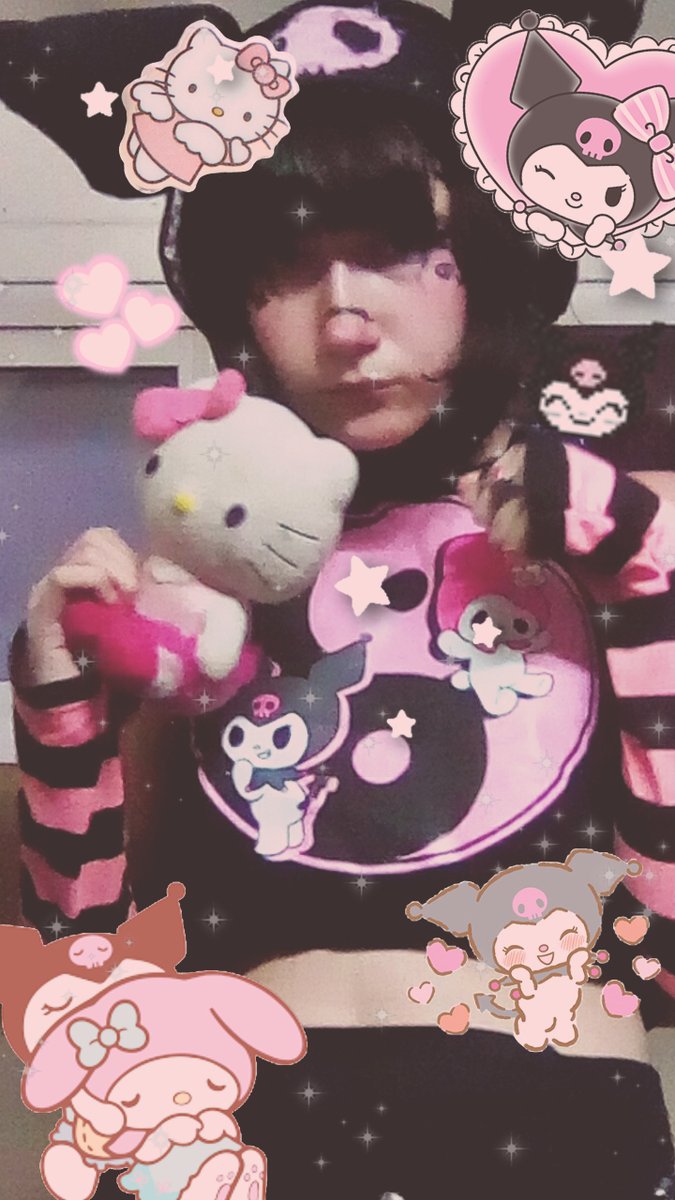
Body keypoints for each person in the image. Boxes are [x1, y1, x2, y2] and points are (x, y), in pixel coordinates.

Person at [2, 2, 674, 1197]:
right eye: (286, 266)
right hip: (248, 1117)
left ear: (490, 262)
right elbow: (89, 940)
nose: (347, 317)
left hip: (554, 1113)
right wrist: (58, 702)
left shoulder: (610, 537)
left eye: (403, 250)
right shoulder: (208, 579)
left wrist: (617, 537)